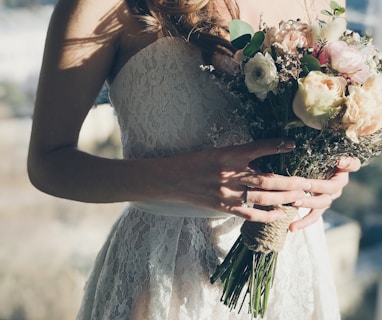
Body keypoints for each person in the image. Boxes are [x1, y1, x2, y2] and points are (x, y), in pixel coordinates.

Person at [27, 0, 361, 319]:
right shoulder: (105, 5)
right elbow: (47, 162)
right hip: (165, 276)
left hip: (293, 272)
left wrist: (326, 173)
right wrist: (176, 179)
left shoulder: (324, 4)